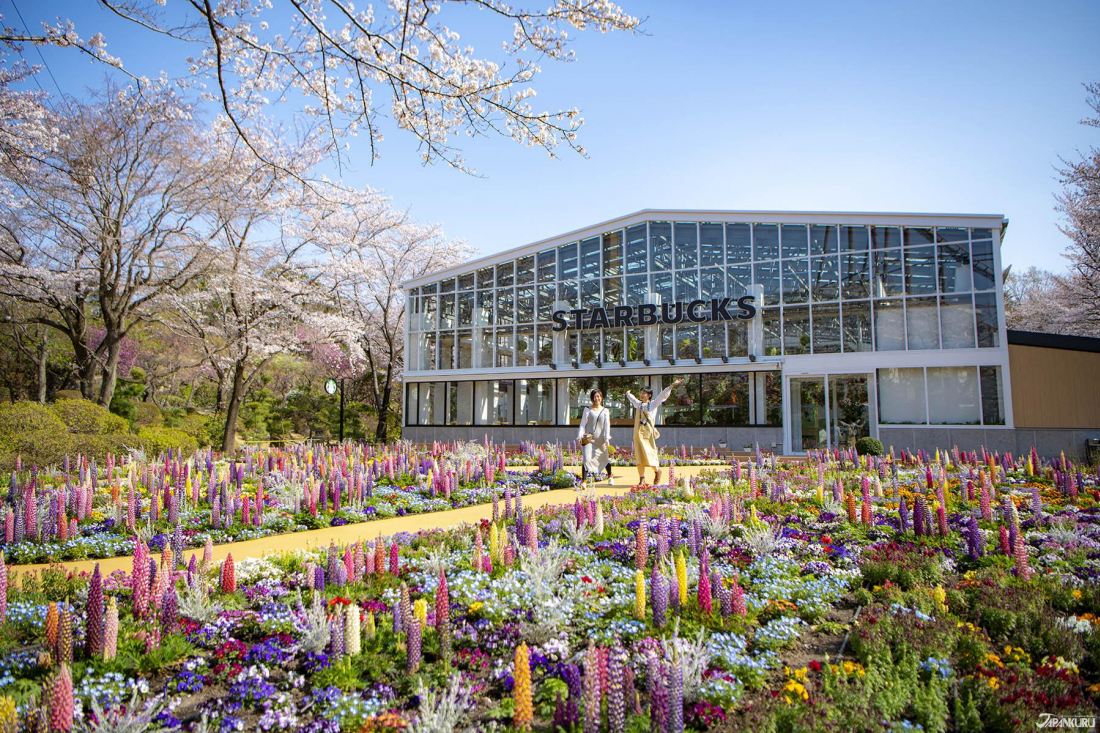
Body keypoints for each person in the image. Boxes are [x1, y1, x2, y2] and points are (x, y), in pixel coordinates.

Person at [626, 378, 684, 486]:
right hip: (638, 433)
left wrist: (672, 385)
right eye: (641, 392)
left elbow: (662, 395)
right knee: (638, 455)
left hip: (648, 434)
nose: (642, 394)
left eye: (644, 393)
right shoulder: (638, 404)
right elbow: (632, 398)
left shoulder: (653, 404)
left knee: (650, 454)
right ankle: (642, 478)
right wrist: (628, 393)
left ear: (649, 395)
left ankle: (657, 471)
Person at [576, 388, 613, 488]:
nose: (596, 399)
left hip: (600, 439)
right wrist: (580, 436)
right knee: (586, 458)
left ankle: (610, 475)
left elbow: (607, 425)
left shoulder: (605, 411)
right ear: (592, 398)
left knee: (604, 458)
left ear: (601, 397)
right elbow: (583, 424)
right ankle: (584, 481)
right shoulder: (587, 410)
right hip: (589, 439)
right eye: (594, 397)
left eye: (598, 396)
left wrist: (606, 438)